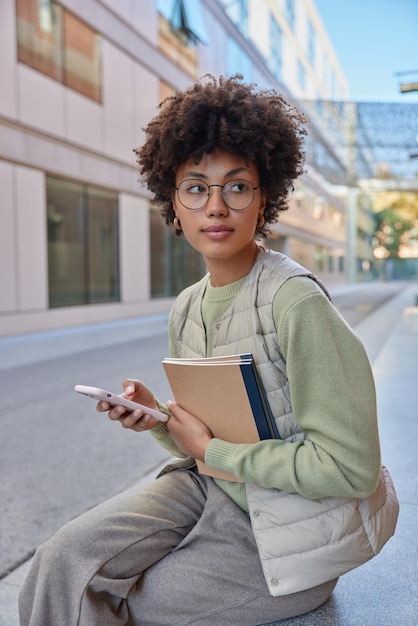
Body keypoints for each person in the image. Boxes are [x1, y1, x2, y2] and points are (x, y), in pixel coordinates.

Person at [19, 75, 398, 626]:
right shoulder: (188, 306)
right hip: (213, 491)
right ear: (173, 202)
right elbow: (211, 435)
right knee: (63, 561)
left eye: (236, 186)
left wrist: (213, 453)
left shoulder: (296, 305)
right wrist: (157, 418)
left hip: (289, 536)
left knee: (140, 600)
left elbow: (351, 468)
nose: (215, 206)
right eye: (196, 187)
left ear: (264, 196)